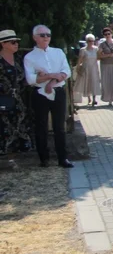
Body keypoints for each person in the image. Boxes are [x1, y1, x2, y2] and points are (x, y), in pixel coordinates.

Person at [24, 24, 72, 168]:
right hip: (39, 94)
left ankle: (62, 158)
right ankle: (43, 158)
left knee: (59, 127)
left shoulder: (58, 52)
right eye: (42, 35)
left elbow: (66, 72)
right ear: (35, 37)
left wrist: (51, 80)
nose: (46, 38)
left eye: (48, 35)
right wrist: (52, 76)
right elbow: (31, 79)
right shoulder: (29, 57)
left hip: (58, 91)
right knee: (41, 126)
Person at [0, 30, 33, 155]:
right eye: (13, 42)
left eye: (17, 42)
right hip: (4, 99)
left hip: (20, 98)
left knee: (21, 123)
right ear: (3, 44)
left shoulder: (20, 58)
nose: (16, 44)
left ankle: (23, 149)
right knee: (5, 125)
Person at [98, 27, 113, 107]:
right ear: (104, 35)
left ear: (111, 34)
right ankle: (109, 100)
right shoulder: (102, 44)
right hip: (105, 65)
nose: (107, 35)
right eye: (106, 34)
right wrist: (109, 55)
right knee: (107, 83)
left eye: (109, 33)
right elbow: (99, 56)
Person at [76, 34, 100, 106]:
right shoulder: (83, 50)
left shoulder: (96, 49)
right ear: (87, 41)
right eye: (89, 41)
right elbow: (80, 60)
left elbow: (99, 58)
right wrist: (78, 68)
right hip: (86, 68)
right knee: (87, 83)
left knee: (94, 82)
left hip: (94, 68)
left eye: (92, 41)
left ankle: (94, 99)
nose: (91, 42)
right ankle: (89, 99)